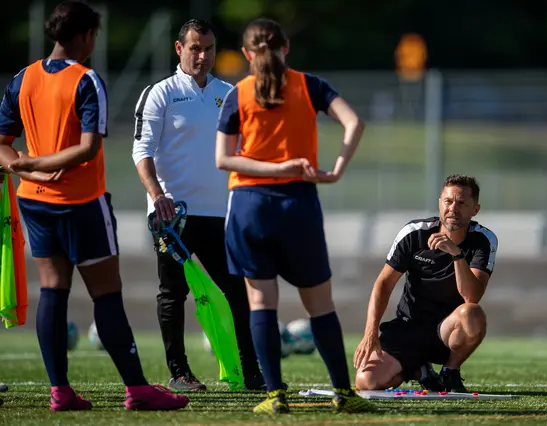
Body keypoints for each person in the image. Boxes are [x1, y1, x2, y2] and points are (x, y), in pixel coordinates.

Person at [0, 1, 188, 411]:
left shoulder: (22, 78)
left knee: (53, 291)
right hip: (81, 203)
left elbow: (2, 145)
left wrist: (26, 171)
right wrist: (35, 165)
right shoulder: (87, 80)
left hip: (34, 202)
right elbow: (87, 149)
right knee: (106, 295)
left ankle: (60, 392)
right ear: (85, 36)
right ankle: (138, 390)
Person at [216, 18, 375, 415]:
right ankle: (343, 393)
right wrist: (334, 169)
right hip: (298, 205)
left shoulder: (239, 93)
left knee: (260, 303)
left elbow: (223, 159)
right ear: (286, 48)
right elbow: (354, 122)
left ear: (247, 55)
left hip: (249, 207)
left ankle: (274, 395)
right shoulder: (310, 86)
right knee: (320, 305)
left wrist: (274, 168)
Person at [132, 18, 263, 392]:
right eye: (194, 48)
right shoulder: (160, 93)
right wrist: (158, 196)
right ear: (179, 49)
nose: (202, 55)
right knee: (173, 293)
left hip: (223, 215)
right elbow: (141, 150)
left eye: (208, 48)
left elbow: (245, 151)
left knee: (239, 291)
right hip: (173, 216)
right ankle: (180, 372)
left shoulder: (230, 92)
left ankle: (251, 371)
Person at [353, 174, 497, 393]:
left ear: (474, 210)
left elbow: (472, 296)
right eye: (448, 201)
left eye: (462, 203)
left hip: (447, 333)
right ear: (440, 203)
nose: (453, 208)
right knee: (367, 382)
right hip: (408, 327)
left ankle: (450, 371)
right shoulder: (414, 233)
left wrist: (456, 255)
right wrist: (370, 333)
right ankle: (420, 371)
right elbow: (384, 284)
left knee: (472, 314)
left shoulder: (483, 240)